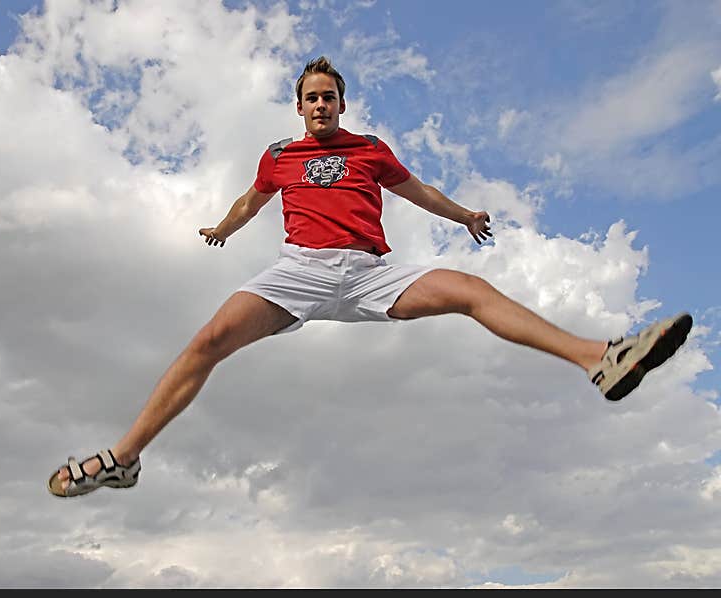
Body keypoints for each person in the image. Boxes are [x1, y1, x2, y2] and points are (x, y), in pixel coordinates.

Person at [48, 56, 692, 498]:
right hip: (298, 270)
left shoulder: (370, 151)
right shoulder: (279, 157)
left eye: (329, 97)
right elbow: (252, 199)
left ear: (341, 104)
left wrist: (465, 213)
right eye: (311, 98)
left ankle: (600, 358)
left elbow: (418, 191)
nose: (320, 105)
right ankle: (122, 460)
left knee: (469, 291)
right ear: (298, 107)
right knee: (207, 343)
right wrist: (223, 227)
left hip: (368, 273)